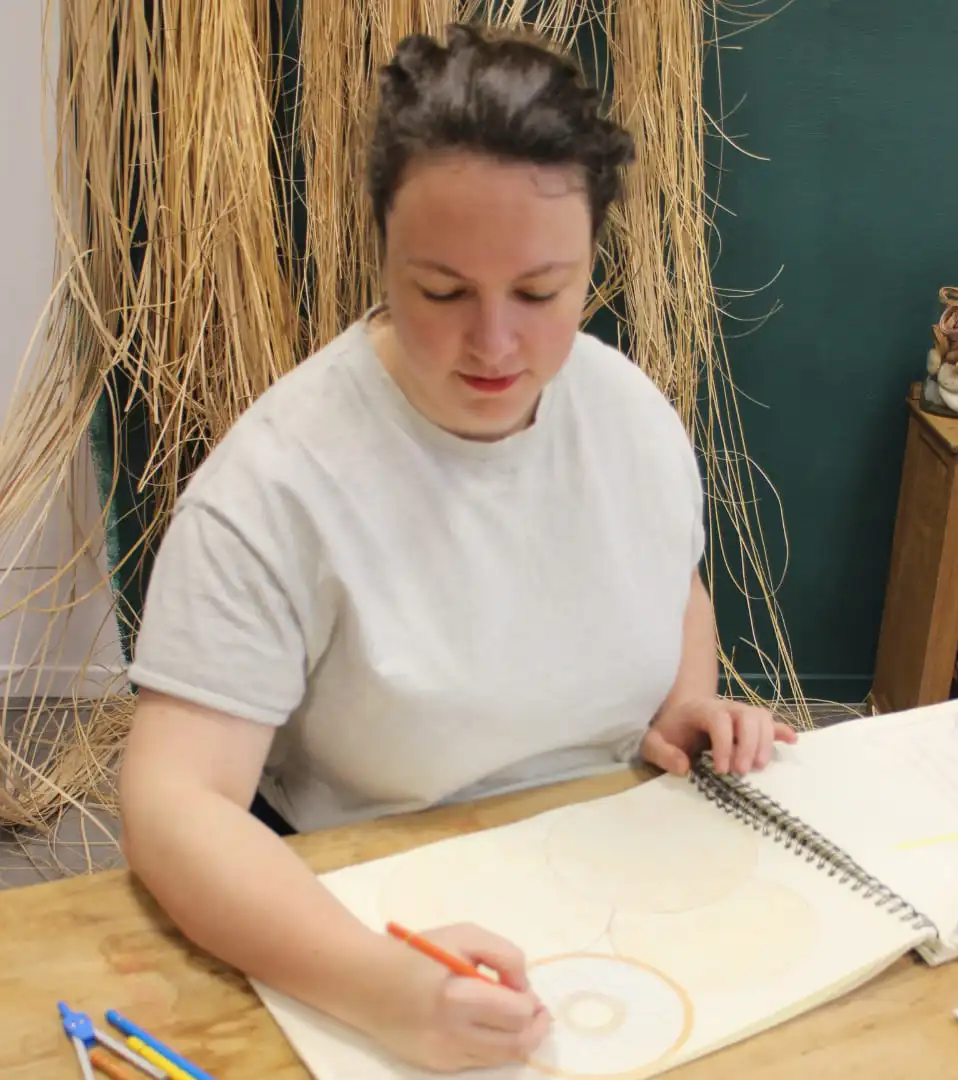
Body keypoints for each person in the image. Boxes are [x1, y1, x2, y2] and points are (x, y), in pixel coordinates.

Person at [117, 21, 798, 1074]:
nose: (494, 346)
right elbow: (171, 806)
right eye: (442, 292)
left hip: (617, 878)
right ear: (379, 248)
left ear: (589, 267)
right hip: (375, 917)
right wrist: (381, 987)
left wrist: (684, 708)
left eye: (539, 294)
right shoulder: (274, 487)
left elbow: (675, 583)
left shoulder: (629, 415)